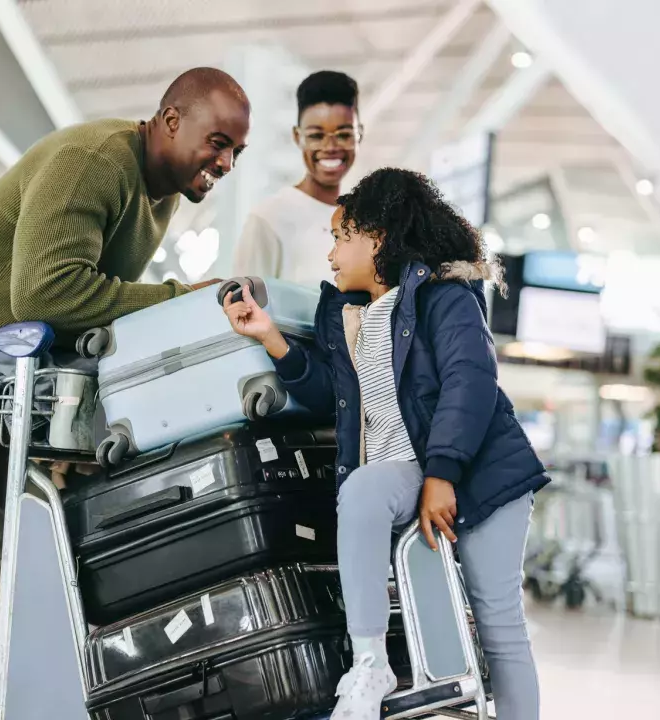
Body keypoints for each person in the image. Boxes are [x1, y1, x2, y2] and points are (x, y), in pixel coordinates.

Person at [0, 67, 251, 720]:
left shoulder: (157, 197)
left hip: (3, 377)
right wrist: (182, 298)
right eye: (217, 141)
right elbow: (48, 294)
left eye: (236, 152)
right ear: (169, 120)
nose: (225, 161)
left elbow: (79, 319)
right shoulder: (95, 160)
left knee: (17, 559)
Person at [222, 168, 547, 720]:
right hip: (406, 468)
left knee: (498, 623)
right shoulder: (349, 315)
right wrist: (270, 337)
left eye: (340, 238)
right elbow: (332, 394)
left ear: (376, 237)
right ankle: (369, 662)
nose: (331, 255)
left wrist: (443, 475)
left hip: (483, 476)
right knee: (365, 488)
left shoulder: (446, 297)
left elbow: (471, 382)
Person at [231, 70, 361, 287]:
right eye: (316, 136)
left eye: (344, 134)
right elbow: (242, 310)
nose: (330, 147)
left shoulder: (366, 220)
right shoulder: (269, 219)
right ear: (297, 137)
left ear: (360, 135)